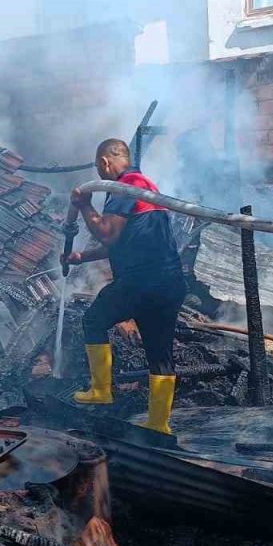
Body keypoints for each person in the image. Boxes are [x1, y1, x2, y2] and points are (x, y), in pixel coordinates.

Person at [61, 139, 186, 435]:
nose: (100, 174)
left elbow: (107, 234)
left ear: (104, 162)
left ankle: (101, 391)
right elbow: (126, 242)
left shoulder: (126, 186)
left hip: (140, 282)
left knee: (93, 320)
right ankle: (158, 424)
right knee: (159, 353)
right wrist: (82, 257)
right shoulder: (147, 188)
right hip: (170, 283)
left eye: (98, 167)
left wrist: (84, 204)